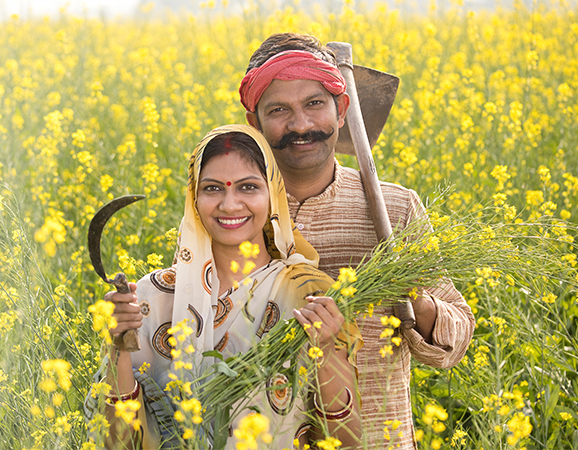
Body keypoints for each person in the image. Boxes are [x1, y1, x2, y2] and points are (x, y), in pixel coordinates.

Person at [239, 33, 476, 449]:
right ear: (255, 124)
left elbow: (453, 340)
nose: (300, 125)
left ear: (342, 108)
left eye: (314, 104)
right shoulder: (230, 212)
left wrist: (410, 297)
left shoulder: (396, 208)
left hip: (378, 439)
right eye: (279, 110)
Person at [85, 124, 361, 449]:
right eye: (213, 189)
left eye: (248, 187)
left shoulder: (309, 294)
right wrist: (118, 346)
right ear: (194, 198)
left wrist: (326, 351)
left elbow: (347, 440)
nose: (230, 205)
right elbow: (116, 442)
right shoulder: (152, 297)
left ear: (272, 195)